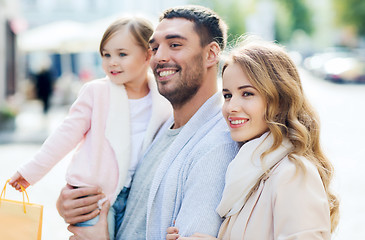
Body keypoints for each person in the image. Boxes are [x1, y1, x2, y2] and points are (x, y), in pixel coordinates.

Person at [58, 5, 239, 240]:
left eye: (175, 45)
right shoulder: (161, 125)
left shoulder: (216, 145)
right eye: (154, 47)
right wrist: (74, 202)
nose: (159, 57)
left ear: (211, 54)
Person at [9, 16, 172, 240]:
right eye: (106, 54)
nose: (112, 62)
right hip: (91, 195)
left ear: (148, 54)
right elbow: (65, 135)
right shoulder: (96, 92)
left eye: (122, 54)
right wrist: (30, 172)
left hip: (135, 196)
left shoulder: (163, 98)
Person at [166, 36, 340, 240]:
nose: (231, 107)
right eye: (228, 95)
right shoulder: (245, 170)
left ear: (280, 99)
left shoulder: (293, 174)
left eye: (247, 94)